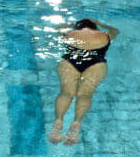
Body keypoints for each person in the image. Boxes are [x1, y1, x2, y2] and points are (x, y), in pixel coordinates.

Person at [48, 17, 119, 145]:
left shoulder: (70, 34)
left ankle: (58, 120)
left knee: (66, 93)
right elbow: (116, 31)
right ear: (95, 27)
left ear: (78, 27)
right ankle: (76, 122)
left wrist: (71, 24)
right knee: (85, 94)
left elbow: (57, 27)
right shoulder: (104, 35)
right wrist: (100, 22)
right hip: (96, 63)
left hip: (70, 61)